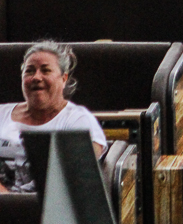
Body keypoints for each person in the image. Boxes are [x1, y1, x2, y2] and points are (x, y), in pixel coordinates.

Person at [0, 41, 106, 194]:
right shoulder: (2, 113)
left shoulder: (78, 120)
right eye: (30, 71)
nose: (36, 77)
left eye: (46, 70)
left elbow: (79, 175)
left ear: (63, 78)